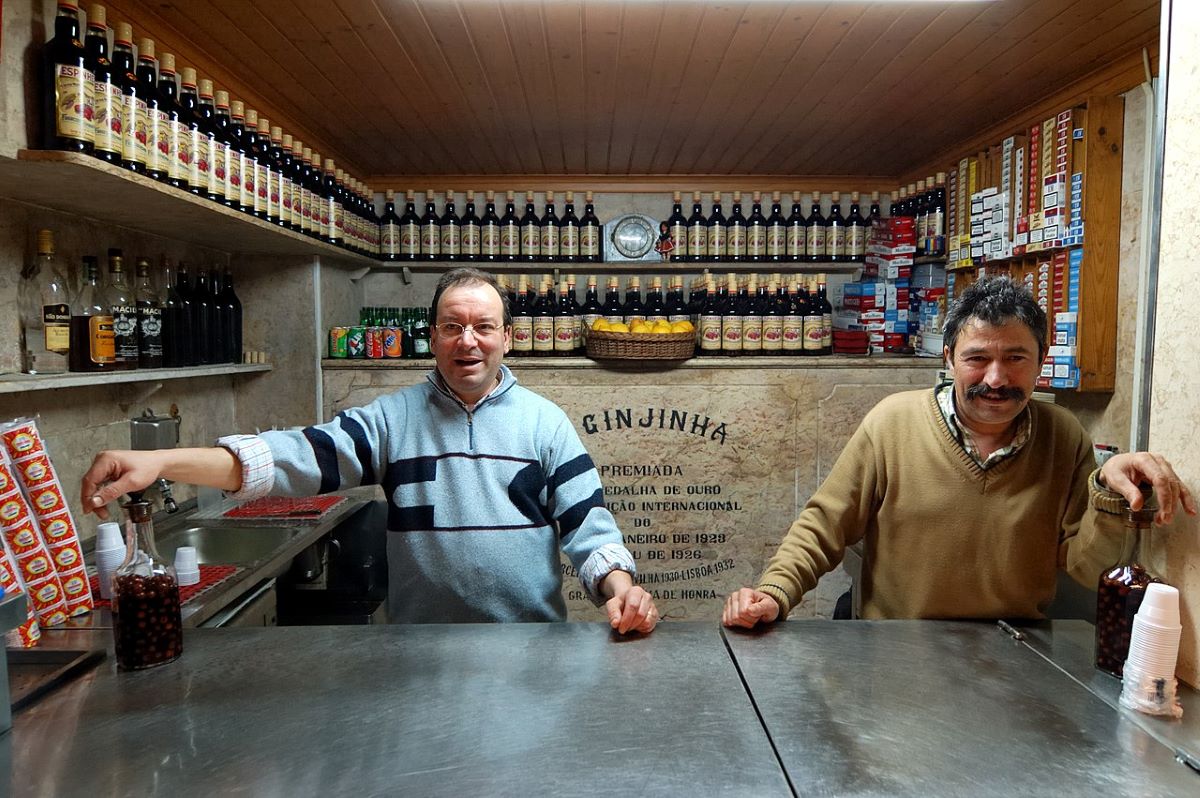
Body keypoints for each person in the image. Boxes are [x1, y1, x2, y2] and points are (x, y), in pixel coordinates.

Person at [82, 268, 659, 634]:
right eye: (452, 326)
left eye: (484, 326)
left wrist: (622, 590)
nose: (469, 340)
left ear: (507, 338)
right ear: (432, 337)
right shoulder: (391, 420)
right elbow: (289, 456)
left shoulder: (545, 424)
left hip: (530, 646)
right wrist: (161, 461)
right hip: (416, 650)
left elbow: (591, 531)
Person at [723, 276, 1195, 628]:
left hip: (1016, 655)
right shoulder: (894, 421)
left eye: (1015, 358)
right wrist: (775, 593)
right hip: (897, 652)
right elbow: (824, 524)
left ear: (1040, 363)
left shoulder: (1063, 436)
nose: (996, 379)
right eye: (977, 359)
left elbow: (1090, 572)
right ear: (948, 358)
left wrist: (1109, 496)